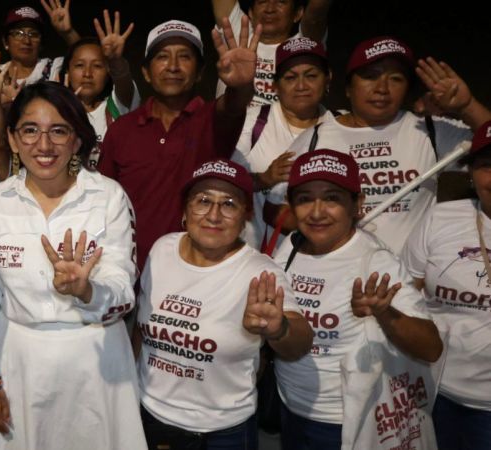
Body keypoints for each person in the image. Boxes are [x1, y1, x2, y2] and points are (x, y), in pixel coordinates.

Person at [0, 81, 144, 449]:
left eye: (59, 131)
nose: (44, 145)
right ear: (12, 139)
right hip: (18, 363)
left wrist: (87, 290)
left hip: (96, 362)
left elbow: (123, 290)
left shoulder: (108, 197)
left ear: (77, 140)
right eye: (30, 130)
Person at [133, 158, 312, 449]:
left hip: (222, 433)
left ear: (245, 216)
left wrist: (279, 329)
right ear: (185, 210)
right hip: (150, 418)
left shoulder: (260, 272)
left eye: (228, 204)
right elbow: (141, 331)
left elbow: (300, 343)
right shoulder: (162, 249)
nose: (214, 215)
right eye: (203, 201)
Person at [274, 150, 442, 449]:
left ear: (357, 204)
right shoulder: (291, 245)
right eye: (304, 199)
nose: (316, 212)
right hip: (290, 408)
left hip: (345, 423)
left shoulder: (374, 261)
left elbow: (431, 348)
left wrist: (384, 313)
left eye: (332, 198)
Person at [265, 37, 491, 253]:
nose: (382, 88)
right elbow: (273, 208)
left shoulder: (430, 130)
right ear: (348, 88)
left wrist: (468, 106)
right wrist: (326, 232)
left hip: (412, 275)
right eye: (370, 76)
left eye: (396, 79)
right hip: (342, 274)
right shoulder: (315, 138)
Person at [98, 17, 260, 270]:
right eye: (162, 57)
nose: (173, 66)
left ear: (200, 72)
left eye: (184, 56)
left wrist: (241, 86)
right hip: (125, 272)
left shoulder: (213, 120)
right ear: (146, 73)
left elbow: (234, 104)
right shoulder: (121, 130)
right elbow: (102, 202)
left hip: (193, 275)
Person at [401, 121, 491, 450]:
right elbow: (406, 292)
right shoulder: (441, 217)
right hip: (435, 394)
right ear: (470, 173)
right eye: (486, 166)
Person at [231, 36, 334, 251]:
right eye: (290, 77)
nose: (301, 86)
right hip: (255, 257)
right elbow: (224, 182)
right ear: (275, 85)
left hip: (323, 259)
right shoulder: (251, 122)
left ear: (328, 79)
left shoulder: (340, 127)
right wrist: (263, 179)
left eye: (311, 76)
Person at [211, 0, 332, 107]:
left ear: (298, 13)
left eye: (281, 2)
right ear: (251, 13)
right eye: (262, 1)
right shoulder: (237, 32)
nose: (270, 9)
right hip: (231, 123)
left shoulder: (304, 45)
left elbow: (317, 11)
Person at [62, 9, 140, 167]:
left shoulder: (116, 107)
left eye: (97, 66)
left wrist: (115, 61)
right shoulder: (54, 110)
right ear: (67, 72)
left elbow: (123, 83)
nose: (87, 74)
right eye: (79, 65)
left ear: (108, 72)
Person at [0, 6, 63, 90]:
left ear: (41, 43)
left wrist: (68, 33)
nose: (26, 41)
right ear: (5, 42)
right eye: (18, 34)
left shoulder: (55, 68)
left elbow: (79, 57)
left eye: (33, 34)